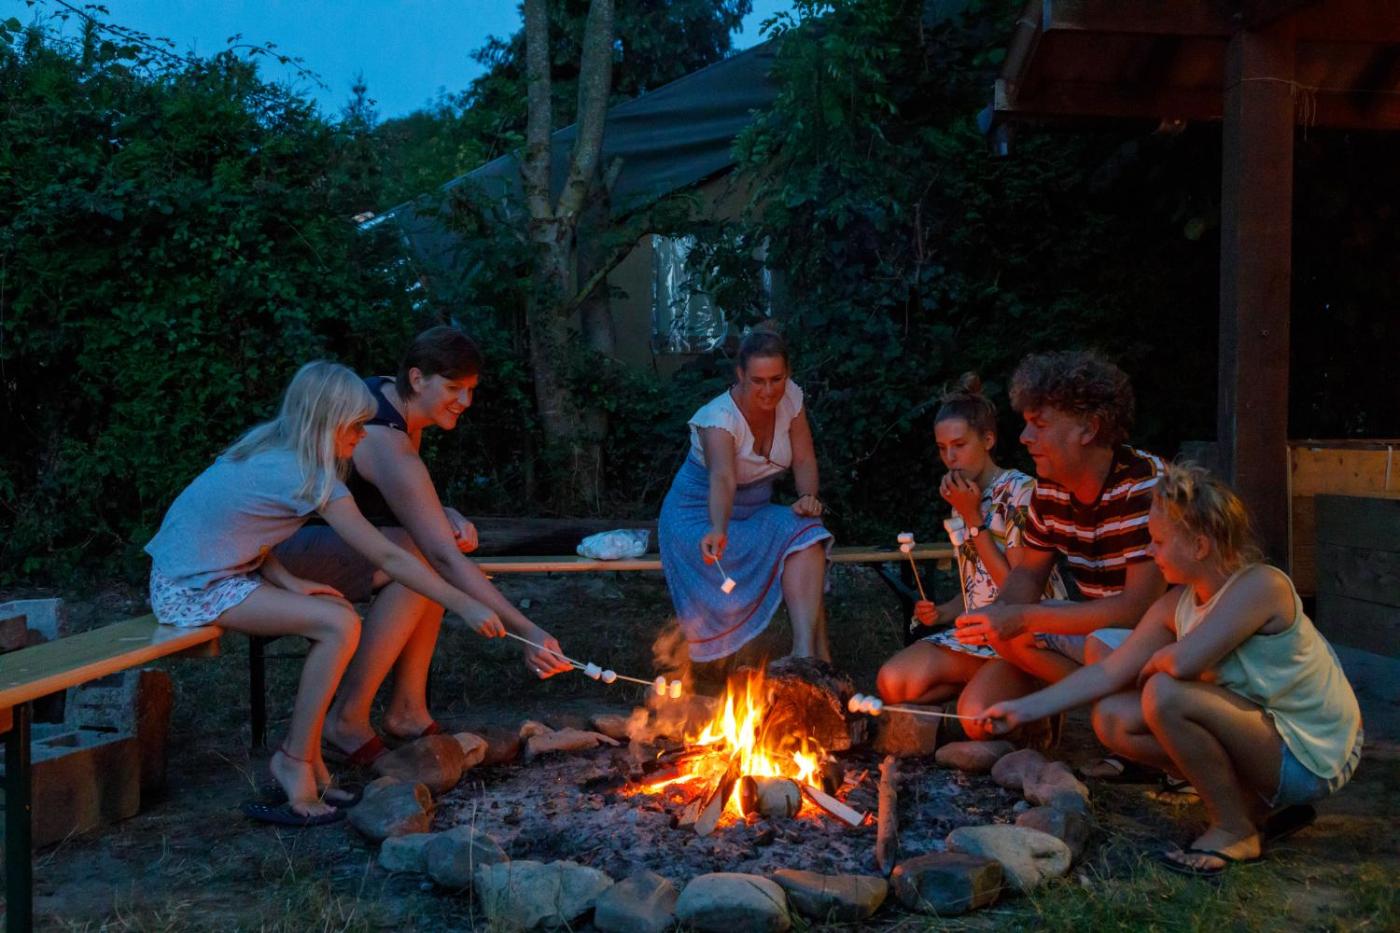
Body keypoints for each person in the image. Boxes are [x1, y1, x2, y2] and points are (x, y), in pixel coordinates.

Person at [145, 362, 511, 825]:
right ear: (327, 423)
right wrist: (463, 602)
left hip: (216, 570)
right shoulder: (309, 477)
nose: (362, 435)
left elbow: (238, 528)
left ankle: (312, 760)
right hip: (191, 587)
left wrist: (288, 581)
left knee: (336, 613)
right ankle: (294, 760)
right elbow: (389, 557)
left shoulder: (276, 449)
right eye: (355, 425)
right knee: (338, 624)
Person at [983, 463, 1363, 876]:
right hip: (1263, 739)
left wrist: (1153, 664)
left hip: (1313, 757)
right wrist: (1022, 709)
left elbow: (1183, 662)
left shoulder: (1261, 585)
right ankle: (1248, 805)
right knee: (1112, 717)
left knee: (1164, 693)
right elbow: (1107, 674)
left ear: (1199, 546)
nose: (1150, 552)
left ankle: (1234, 829)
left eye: (1159, 542)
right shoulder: (1176, 604)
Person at [273, 327, 572, 767]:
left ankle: (407, 711)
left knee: (423, 550)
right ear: (417, 378)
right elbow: (441, 555)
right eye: (453, 389)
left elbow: (382, 500)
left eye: (470, 389)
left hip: (326, 537)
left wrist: (442, 512)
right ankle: (347, 718)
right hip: (276, 549)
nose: (465, 401)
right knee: (420, 557)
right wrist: (527, 630)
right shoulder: (385, 437)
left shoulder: (390, 397)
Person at [949, 351, 1168, 740]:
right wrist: (999, 614)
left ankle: (1127, 717)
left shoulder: (1144, 486)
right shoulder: (1050, 488)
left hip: (1160, 636)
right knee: (1005, 631)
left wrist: (1026, 617)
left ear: (1089, 428)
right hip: (1102, 633)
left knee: (1093, 641)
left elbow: (1137, 608)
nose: (1024, 437)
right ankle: (1101, 706)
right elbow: (1029, 572)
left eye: (1039, 425)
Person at [876, 374, 1065, 706]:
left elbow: (1018, 592)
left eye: (959, 445)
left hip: (1023, 633)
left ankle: (1021, 692)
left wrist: (974, 520)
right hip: (979, 633)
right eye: (942, 448)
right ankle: (986, 691)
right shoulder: (965, 495)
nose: (950, 457)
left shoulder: (1020, 492)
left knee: (974, 710)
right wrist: (942, 612)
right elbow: (978, 588)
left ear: (988, 440)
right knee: (892, 683)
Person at [658, 329, 833, 665]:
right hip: (700, 514)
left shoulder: (792, 398)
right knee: (733, 553)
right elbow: (722, 478)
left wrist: (808, 497)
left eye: (776, 379)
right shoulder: (718, 419)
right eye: (758, 381)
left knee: (808, 531)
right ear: (740, 375)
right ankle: (719, 666)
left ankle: (807, 656)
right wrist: (718, 528)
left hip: (753, 511)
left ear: (787, 373)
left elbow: (803, 458)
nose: (769, 390)